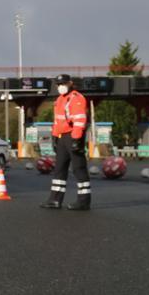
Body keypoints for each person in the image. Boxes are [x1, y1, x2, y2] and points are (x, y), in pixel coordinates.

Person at [41, 74, 91, 210]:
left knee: (78, 168)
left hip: (73, 136)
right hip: (62, 137)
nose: (60, 86)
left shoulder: (76, 98)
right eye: (58, 84)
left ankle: (83, 201)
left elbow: (80, 120)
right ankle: (55, 200)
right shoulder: (60, 100)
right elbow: (57, 121)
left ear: (70, 83)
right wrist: (55, 136)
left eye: (63, 83)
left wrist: (76, 139)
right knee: (59, 169)